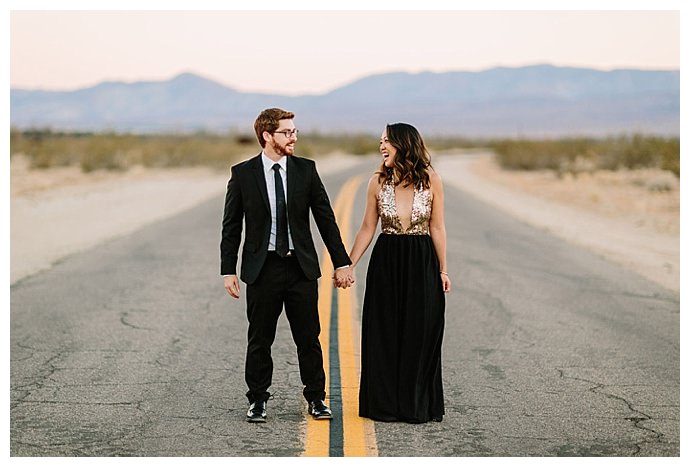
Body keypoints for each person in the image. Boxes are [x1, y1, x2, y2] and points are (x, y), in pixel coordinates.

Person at [221, 108, 353, 423]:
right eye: (287, 132)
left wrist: (342, 262)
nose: (294, 137)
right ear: (267, 136)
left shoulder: (306, 170)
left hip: (300, 268)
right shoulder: (243, 174)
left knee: (308, 337)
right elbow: (231, 226)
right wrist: (228, 269)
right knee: (260, 338)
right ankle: (257, 400)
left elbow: (326, 219)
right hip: (262, 268)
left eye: (294, 131)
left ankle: (316, 399)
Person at [336, 122, 451, 423]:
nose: (381, 146)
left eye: (386, 140)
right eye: (380, 141)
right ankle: (384, 405)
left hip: (421, 260)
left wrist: (443, 269)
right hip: (386, 260)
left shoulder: (431, 180)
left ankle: (415, 405)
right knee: (384, 332)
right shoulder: (377, 182)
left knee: (420, 331)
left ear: (404, 144)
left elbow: (437, 227)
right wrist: (349, 264)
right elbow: (366, 228)